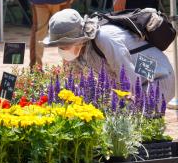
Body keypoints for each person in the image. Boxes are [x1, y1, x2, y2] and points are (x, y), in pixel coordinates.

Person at [43, 9, 175, 101]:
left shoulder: (105, 38)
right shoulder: (79, 49)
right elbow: (74, 78)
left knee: (139, 126)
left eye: (65, 45)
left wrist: (129, 103)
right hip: (137, 80)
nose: (63, 50)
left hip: (158, 77)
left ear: (79, 39)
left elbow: (127, 75)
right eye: (60, 46)